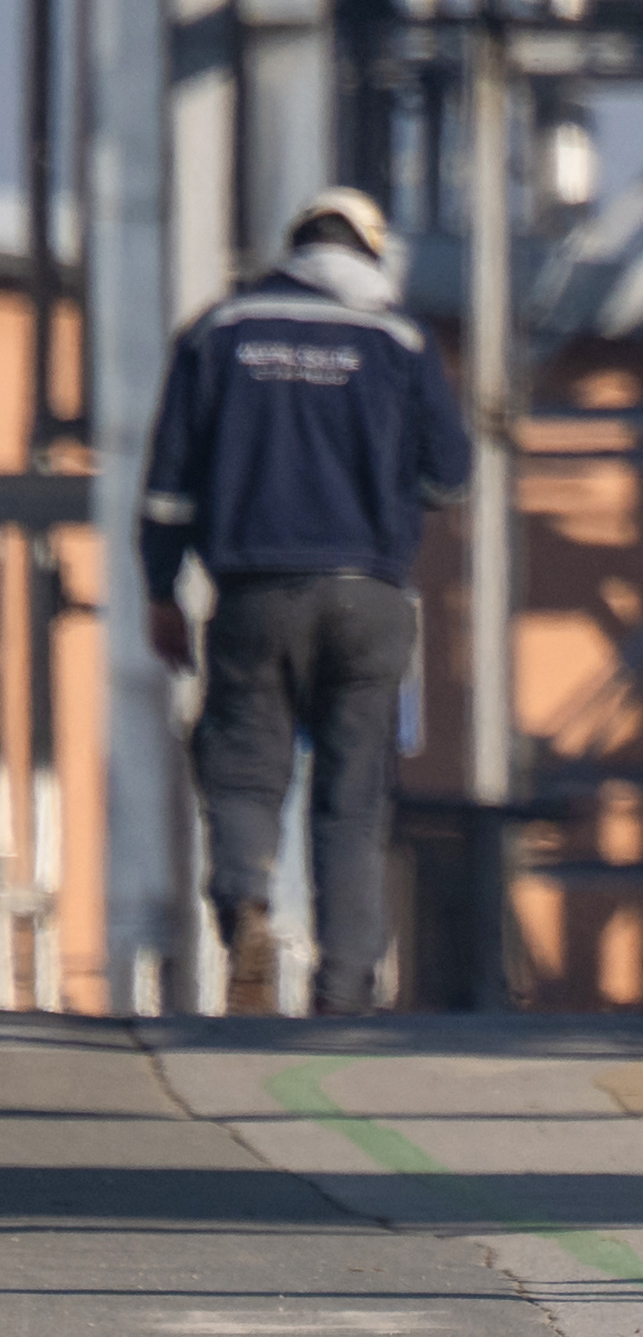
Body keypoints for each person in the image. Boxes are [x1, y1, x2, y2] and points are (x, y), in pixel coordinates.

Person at [138, 185, 476, 1017]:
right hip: (369, 595)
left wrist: (160, 590)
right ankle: (344, 986)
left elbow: (169, 489)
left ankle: (245, 900)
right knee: (352, 796)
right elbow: (452, 474)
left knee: (245, 773)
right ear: (368, 250)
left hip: (253, 590)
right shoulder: (399, 337)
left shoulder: (219, 331)